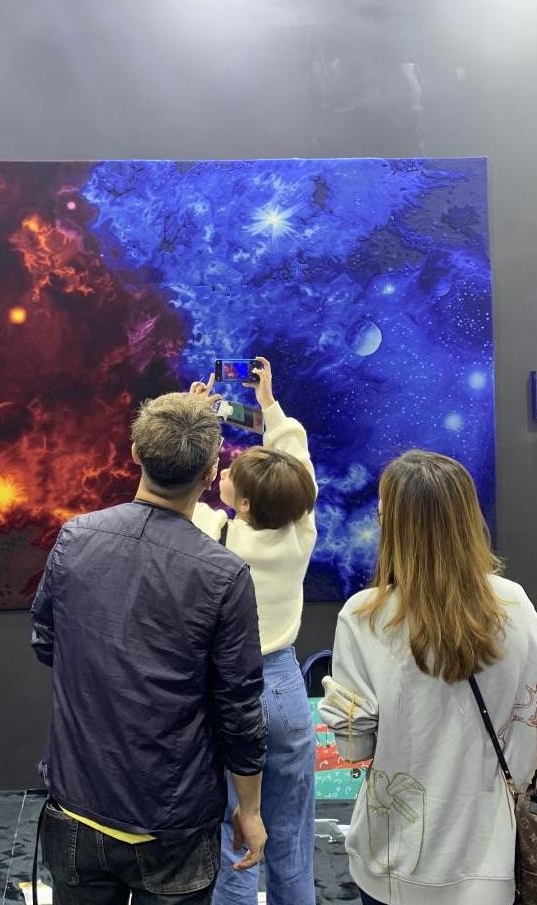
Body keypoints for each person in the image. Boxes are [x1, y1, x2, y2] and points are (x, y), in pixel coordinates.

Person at [31, 391, 268, 905]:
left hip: (77, 807)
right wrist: (249, 809)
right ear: (210, 475)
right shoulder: (223, 575)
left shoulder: (75, 538)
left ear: (136, 452)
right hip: (173, 824)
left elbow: (45, 642)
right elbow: (238, 708)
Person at [319, 450, 537, 905]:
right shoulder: (513, 603)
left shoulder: (364, 616)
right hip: (488, 855)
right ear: (467, 517)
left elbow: (355, 748)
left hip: (393, 859)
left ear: (392, 524)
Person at [188, 358, 318, 905]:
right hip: (284, 690)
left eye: (231, 474)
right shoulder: (300, 531)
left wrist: (196, 418)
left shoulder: (212, 533)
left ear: (241, 504)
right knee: (291, 834)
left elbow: (175, 484)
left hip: (227, 690)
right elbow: (297, 464)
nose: (224, 470)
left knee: (232, 835)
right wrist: (268, 406)